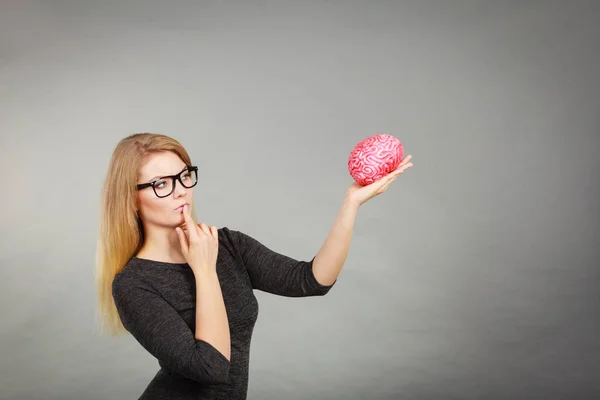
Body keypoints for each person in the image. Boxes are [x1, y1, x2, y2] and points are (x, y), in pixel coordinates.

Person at [95, 133, 413, 399]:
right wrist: (204, 270)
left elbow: (312, 280)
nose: (180, 190)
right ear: (131, 199)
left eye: (183, 176)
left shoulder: (229, 245)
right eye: (160, 184)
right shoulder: (133, 284)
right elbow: (212, 368)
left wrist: (351, 203)